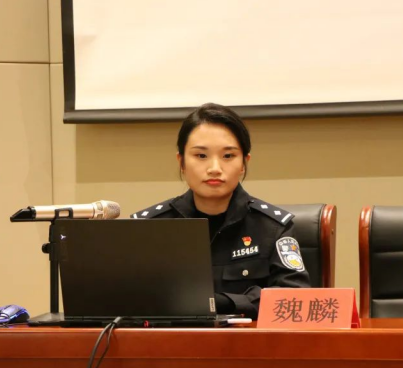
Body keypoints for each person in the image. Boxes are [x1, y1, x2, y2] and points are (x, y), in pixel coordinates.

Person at [131, 103, 310, 318]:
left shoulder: (273, 228)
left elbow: (295, 298)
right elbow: (128, 300)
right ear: (181, 162)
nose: (214, 168)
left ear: (244, 163)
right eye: (201, 156)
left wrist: (224, 303)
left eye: (228, 156)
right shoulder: (149, 227)